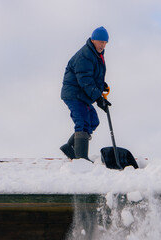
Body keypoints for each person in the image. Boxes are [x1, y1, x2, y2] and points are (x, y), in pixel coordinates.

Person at [60, 26, 111, 162]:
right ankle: (81, 159)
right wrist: (98, 98)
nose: (103, 45)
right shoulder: (85, 55)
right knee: (82, 122)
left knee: (93, 121)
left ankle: (70, 147)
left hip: (82, 95)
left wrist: (101, 86)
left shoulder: (96, 54)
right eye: (100, 41)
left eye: (105, 42)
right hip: (74, 94)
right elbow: (85, 79)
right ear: (93, 40)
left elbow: (92, 76)